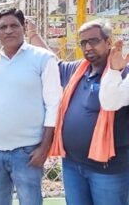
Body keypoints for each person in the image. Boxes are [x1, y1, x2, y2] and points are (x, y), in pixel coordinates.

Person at [0, 8, 61, 205]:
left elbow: (54, 104)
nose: (9, 31)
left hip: (28, 152)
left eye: (14, 25)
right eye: (3, 27)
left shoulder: (43, 58)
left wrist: (44, 148)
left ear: (24, 27)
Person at [49, 20, 129, 205]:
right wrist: (33, 35)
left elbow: (110, 102)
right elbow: (53, 63)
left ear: (108, 42)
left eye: (93, 41)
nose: (88, 47)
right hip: (72, 164)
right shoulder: (78, 69)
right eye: (83, 43)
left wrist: (114, 72)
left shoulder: (123, 74)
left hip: (108, 170)